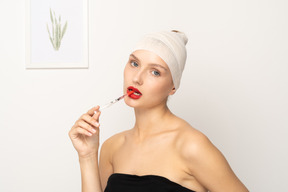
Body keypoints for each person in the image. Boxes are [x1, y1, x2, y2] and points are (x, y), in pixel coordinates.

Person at [69, 30, 249, 192]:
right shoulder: (112, 147)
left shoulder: (192, 146)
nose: (137, 78)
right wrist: (87, 156)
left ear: (173, 87)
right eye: (134, 63)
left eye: (155, 72)